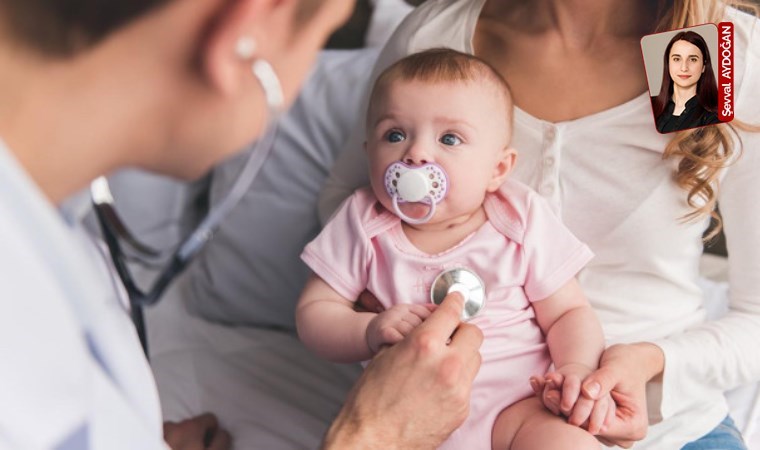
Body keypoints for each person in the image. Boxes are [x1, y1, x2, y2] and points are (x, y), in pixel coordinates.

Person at [0, 0, 484, 448]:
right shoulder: (27, 385)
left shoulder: (57, 225)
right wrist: (376, 433)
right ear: (243, 34)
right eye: (317, 40)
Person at [318, 1, 760, 449]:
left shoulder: (710, 50)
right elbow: (347, 204)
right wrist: (379, 311)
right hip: (447, 427)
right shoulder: (437, 37)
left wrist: (651, 361)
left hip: (671, 430)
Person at [297, 49, 609, 450]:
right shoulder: (362, 222)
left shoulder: (518, 218)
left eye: (449, 138)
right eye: (394, 135)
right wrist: (369, 330)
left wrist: (576, 369)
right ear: (368, 151)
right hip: (403, 420)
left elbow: (568, 312)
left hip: (520, 411)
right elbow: (315, 312)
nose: (415, 154)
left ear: (497, 169)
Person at [652, 30, 721, 133]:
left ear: (704, 67)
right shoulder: (649, 107)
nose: (684, 68)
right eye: (676, 59)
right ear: (668, 63)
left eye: (693, 59)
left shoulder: (715, 117)